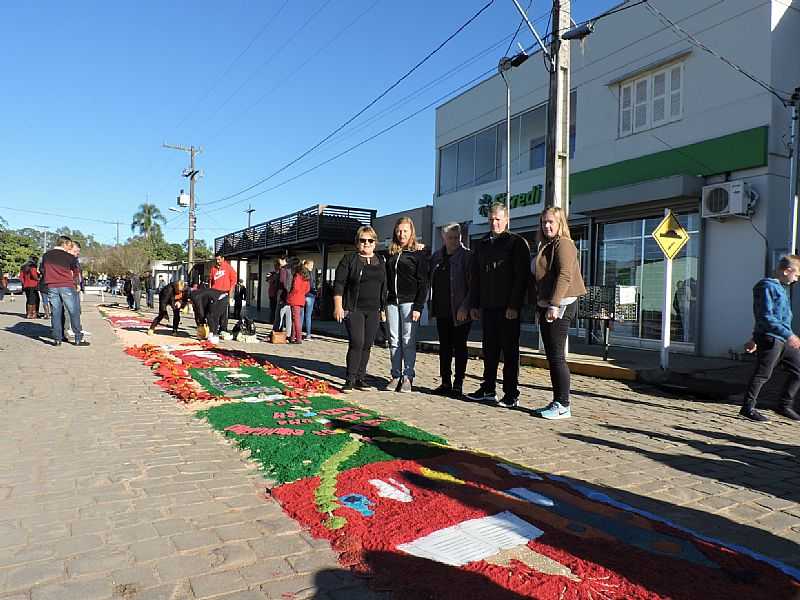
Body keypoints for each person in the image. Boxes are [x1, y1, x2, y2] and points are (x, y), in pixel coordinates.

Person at [465, 203, 530, 407]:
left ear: (507, 220)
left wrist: (514, 305)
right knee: (489, 349)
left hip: (508, 308)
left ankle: (511, 393)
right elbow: (476, 277)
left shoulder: (516, 243)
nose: (495, 223)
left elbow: (521, 278)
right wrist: (474, 304)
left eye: (499, 219)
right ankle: (488, 388)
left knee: (510, 352)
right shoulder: (482, 243)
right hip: (488, 306)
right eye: (492, 219)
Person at [530, 207, 587, 420]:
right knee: (552, 356)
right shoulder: (546, 245)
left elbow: (565, 275)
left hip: (561, 304)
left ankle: (563, 404)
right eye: (544, 222)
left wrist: (554, 304)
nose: (547, 226)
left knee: (556, 356)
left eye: (551, 222)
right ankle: (558, 401)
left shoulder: (564, 244)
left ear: (560, 222)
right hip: (548, 305)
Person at [739, 255, 800, 422]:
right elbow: (765, 317)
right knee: (762, 374)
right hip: (770, 338)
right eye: (796, 275)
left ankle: (784, 405)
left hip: (782, 338)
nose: (796, 279)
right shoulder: (765, 286)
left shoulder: (780, 288)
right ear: (787, 271)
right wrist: (789, 335)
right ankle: (748, 407)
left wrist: (753, 338)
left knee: (798, 370)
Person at [334, 226, 387, 392]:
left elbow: (384, 286)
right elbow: (339, 284)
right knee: (357, 342)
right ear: (357, 242)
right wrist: (338, 306)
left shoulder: (381, 261)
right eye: (362, 240)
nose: (366, 243)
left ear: (375, 242)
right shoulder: (349, 259)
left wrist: (383, 309)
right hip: (354, 308)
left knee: (367, 344)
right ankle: (350, 378)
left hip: (374, 310)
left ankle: (360, 378)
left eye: (370, 240)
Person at [384, 217, 429, 393]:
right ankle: (395, 375)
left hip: (409, 303)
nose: (401, 234)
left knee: (407, 341)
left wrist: (419, 306)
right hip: (392, 303)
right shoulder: (391, 253)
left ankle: (408, 376)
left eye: (405, 231)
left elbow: (424, 282)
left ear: (411, 232)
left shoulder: (417, 254)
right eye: (399, 231)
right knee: (394, 340)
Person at [429, 223, 473, 398]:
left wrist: (466, 306)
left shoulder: (467, 256)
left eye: (457, 237)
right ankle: (445, 382)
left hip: (460, 310)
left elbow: (473, 285)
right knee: (445, 347)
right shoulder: (437, 257)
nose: (454, 241)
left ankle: (458, 383)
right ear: (443, 238)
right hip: (442, 309)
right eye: (450, 237)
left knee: (460, 347)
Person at [42, 235, 86, 346]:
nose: (70, 248)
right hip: (66, 285)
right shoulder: (69, 257)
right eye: (69, 245)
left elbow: (42, 269)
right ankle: (77, 337)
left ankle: (57, 339)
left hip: (51, 286)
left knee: (56, 312)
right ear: (64, 244)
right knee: (73, 311)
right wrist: (77, 284)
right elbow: (76, 272)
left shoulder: (46, 255)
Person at [210, 254, 237, 333]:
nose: (217, 261)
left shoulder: (228, 267)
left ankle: (223, 329)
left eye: (219, 259)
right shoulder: (213, 269)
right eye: (216, 260)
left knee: (224, 312)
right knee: (214, 311)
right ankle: (214, 328)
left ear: (223, 258)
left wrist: (231, 293)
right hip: (214, 293)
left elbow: (233, 280)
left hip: (224, 292)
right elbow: (211, 281)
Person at [286, 263, 311, 344]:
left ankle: (298, 338)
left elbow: (295, 287)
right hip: (301, 299)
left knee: (296, 320)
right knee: (295, 319)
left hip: (295, 299)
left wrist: (290, 293)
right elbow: (307, 290)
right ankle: (293, 337)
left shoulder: (297, 276)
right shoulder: (306, 278)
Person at [301, 260, 317, 340]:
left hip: (303, 296)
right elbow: (311, 285)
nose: (312, 267)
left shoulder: (302, 273)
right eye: (311, 265)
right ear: (306, 265)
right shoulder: (310, 273)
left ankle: (298, 333)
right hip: (310, 296)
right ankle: (308, 334)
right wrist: (314, 292)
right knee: (308, 316)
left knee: (301, 315)